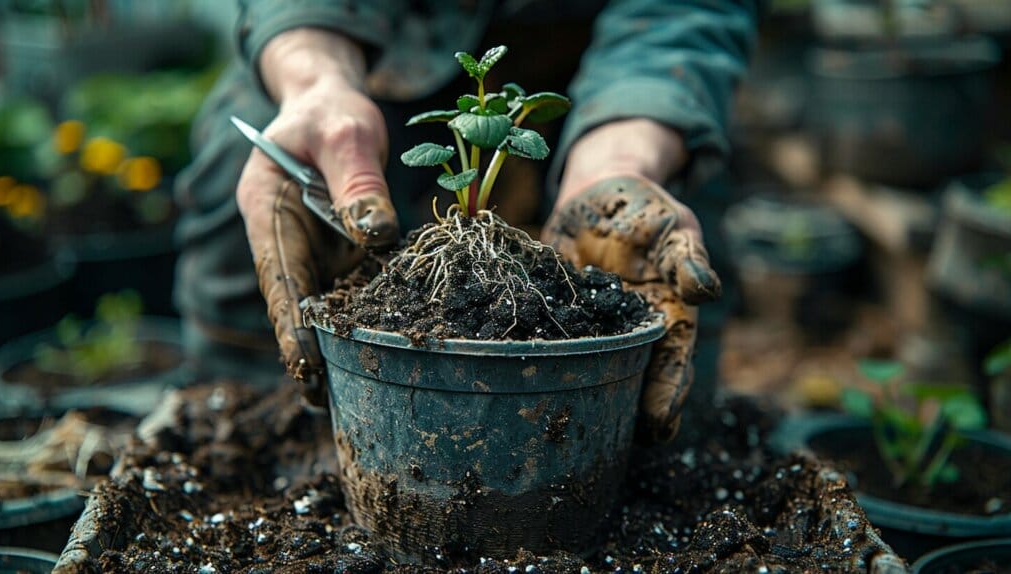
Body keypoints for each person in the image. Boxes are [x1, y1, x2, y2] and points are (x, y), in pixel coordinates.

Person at [174, 0, 760, 442]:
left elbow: (680, 16)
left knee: (659, 382)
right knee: (258, 201)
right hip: (367, 43)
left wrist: (622, 159)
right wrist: (314, 79)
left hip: (614, 77)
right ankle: (262, 442)